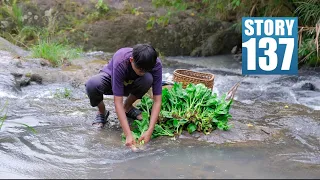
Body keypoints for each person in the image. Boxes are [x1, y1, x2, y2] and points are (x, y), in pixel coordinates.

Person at [85, 44, 162, 150]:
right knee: (92, 84)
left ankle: (128, 107)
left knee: (147, 78)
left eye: (146, 70)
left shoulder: (155, 64)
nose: (143, 72)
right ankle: (102, 111)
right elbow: (117, 102)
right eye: (140, 70)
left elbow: (157, 100)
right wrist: (128, 134)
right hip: (112, 82)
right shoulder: (121, 60)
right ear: (131, 60)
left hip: (133, 85)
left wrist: (150, 130)